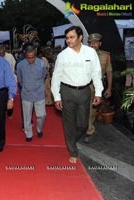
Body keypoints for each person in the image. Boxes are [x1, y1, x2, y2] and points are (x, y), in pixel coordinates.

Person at [51, 26, 103, 164]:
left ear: (80, 38)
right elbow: (56, 77)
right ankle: (73, 151)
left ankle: (72, 139)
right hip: (67, 92)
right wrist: (56, 97)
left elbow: (96, 73)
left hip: (85, 92)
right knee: (68, 124)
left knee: (83, 124)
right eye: (67, 38)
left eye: (72, 37)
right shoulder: (62, 55)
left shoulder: (90, 52)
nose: (69, 40)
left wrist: (98, 92)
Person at [84, 33, 113, 143]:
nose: (93, 45)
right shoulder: (82, 55)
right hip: (83, 85)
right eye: (91, 43)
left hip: (96, 86)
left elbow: (109, 72)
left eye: (95, 42)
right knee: (81, 109)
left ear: (100, 44)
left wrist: (109, 88)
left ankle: (89, 131)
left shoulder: (105, 56)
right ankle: (81, 128)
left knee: (92, 110)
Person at [17, 45, 47, 142]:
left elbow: (43, 76)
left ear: (35, 54)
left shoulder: (42, 64)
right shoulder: (20, 65)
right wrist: (26, 86)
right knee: (27, 116)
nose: (31, 60)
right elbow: (20, 79)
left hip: (39, 93)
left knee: (41, 115)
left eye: (33, 57)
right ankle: (28, 134)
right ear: (25, 55)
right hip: (26, 94)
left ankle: (39, 129)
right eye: (29, 58)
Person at [0, 45, 17, 119]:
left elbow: (14, 66)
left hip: (10, 79)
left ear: (4, 51)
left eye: (2, 53)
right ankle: (2, 112)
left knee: (10, 96)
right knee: (2, 97)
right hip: (1, 81)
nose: (1, 54)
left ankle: (10, 113)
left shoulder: (10, 56)